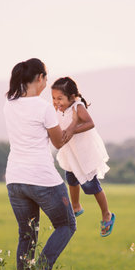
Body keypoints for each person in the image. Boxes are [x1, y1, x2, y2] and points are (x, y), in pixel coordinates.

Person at [4, 59, 77, 270]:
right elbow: (58, 142)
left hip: (15, 179)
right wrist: (74, 121)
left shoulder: (9, 103)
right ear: (40, 78)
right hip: (41, 178)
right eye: (46, 77)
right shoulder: (43, 107)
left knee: (27, 236)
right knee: (66, 225)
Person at [51, 77, 116, 237]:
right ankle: (75, 206)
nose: (56, 102)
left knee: (91, 186)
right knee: (71, 179)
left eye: (60, 98)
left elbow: (90, 123)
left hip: (84, 153)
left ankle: (107, 213)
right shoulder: (59, 109)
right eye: (53, 98)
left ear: (71, 96)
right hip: (71, 154)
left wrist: (73, 130)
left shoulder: (77, 106)